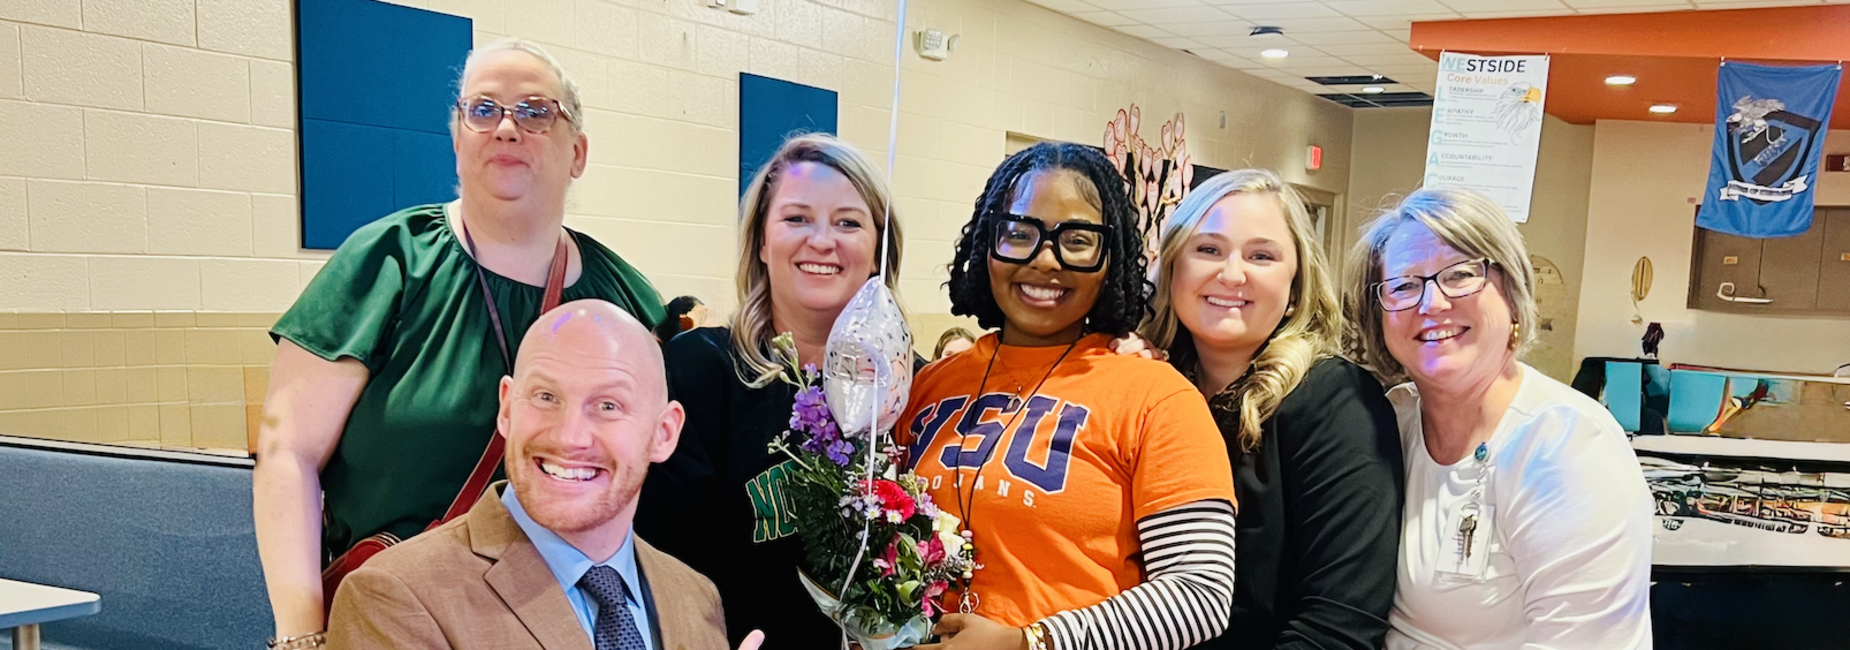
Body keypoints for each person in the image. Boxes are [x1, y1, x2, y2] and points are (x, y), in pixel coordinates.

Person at [254, 38, 665, 647]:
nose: (506, 128)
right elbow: (286, 454)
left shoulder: (624, 300)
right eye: (483, 110)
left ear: (576, 151)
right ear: (456, 138)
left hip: (557, 624)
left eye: (534, 111)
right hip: (392, 617)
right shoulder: (389, 263)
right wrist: (301, 633)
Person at [903, 142, 1237, 650]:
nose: (1044, 260)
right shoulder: (930, 386)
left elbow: (1200, 595)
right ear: (987, 245)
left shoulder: (1158, 397)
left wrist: (1030, 642)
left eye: (1077, 240)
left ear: (1111, 257)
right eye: (1019, 234)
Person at [328, 301, 750, 650]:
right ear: (507, 409)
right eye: (546, 397)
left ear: (664, 433)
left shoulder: (695, 598)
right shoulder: (396, 598)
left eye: (608, 406)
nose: (569, 437)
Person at [1343, 188, 1652, 650]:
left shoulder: (1566, 444)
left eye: (1461, 274)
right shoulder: (1389, 422)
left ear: (1511, 291)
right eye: (1405, 285)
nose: (1432, 303)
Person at [634, 134, 905, 648]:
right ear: (761, 241)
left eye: (848, 222)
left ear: (878, 250)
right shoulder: (698, 371)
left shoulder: (911, 383)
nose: (822, 241)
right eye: (797, 218)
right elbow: (658, 565)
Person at [1142, 170, 1402, 650]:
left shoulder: (1335, 402)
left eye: (1261, 255)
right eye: (1208, 249)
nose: (1232, 273)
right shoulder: (1141, 389)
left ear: (1296, 281)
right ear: (1172, 265)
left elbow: (1338, 626)